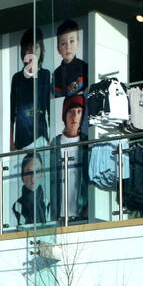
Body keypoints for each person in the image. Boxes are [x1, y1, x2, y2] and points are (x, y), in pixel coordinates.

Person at [9, 28, 51, 150]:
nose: (32, 52)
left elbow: (50, 109)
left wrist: (50, 139)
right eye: (28, 48)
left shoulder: (45, 75)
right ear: (23, 52)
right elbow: (11, 114)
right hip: (21, 142)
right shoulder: (17, 78)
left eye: (36, 47)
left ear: (42, 50)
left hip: (41, 139)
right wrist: (11, 143)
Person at [52, 94, 88, 222]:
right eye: (71, 111)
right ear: (64, 115)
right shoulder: (54, 144)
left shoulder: (86, 143)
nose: (75, 116)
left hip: (82, 211)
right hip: (58, 213)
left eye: (79, 112)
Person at [51, 19, 87, 121]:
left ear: (78, 43)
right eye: (63, 43)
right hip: (61, 116)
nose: (68, 47)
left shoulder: (84, 68)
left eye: (71, 41)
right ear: (58, 49)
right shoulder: (56, 75)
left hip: (81, 115)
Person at [12, 154, 48, 226]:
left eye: (37, 171)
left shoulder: (48, 204)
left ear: (41, 175)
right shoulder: (17, 207)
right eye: (29, 172)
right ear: (22, 177)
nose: (33, 177)